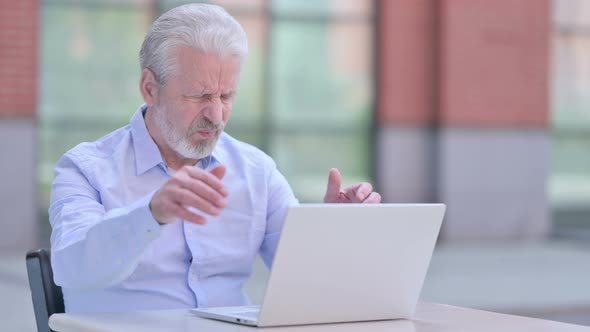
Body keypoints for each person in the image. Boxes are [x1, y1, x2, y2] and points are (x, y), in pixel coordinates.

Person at [49, 3, 381, 314]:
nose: (216, 114)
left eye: (226, 95)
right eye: (199, 96)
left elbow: (306, 277)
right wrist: (151, 214)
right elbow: (71, 268)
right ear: (150, 88)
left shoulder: (256, 172)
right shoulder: (85, 169)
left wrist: (334, 231)